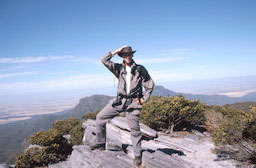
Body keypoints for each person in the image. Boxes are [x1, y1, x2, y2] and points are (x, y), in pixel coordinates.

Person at [89, 46, 155, 166]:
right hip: (119, 101)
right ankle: (100, 144)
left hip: (133, 103)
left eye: (129, 54)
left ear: (132, 55)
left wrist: (144, 99)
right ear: (122, 56)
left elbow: (150, 85)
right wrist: (116, 51)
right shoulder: (118, 68)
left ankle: (137, 155)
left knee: (135, 130)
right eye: (125, 55)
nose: (128, 56)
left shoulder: (140, 69)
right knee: (99, 118)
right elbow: (104, 60)